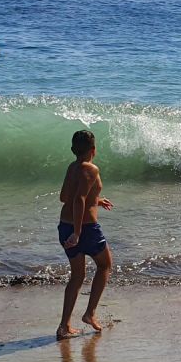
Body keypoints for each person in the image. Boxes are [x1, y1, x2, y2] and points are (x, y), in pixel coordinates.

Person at [57, 130, 114, 339]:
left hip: (64, 226)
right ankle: (89, 314)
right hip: (86, 229)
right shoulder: (91, 169)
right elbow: (79, 200)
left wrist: (96, 200)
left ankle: (64, 326)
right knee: (105, 265)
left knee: (78, 276)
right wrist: (78, 233)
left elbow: (65, 197)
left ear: (73, 150)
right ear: (94, 150)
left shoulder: (72, 167)